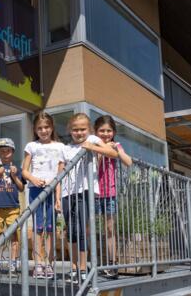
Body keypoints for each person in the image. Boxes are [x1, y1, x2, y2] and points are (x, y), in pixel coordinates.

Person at [61, 113, 117, 283]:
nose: (79, 132)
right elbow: (60, 172)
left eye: (82, 129)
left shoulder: (92, 139)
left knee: (81, 229)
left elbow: (111, 153)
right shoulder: (66, 148)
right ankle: (74, 268)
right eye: (75, 129)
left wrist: (92, 147)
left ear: (89, 129)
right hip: (67, 193)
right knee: (70, 231)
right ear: (70, 130)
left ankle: (83, 268)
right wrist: (57, 196)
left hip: (85, 191)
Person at [21, 112, 65, 279]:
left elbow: (60, 176)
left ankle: (49, 263)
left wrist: (58, 197)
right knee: (38, 228)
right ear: (35, 129)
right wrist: (33, 179)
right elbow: (24, 171)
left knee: (51, 229)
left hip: (52, 191)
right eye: (40, 128)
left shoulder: (60, 147)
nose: (44, 130)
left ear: (52, 128)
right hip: (35, 190)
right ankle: (38, 264)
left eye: (46, 127)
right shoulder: (31, 146)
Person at [94, 115, 132, 279]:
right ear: (96, 132)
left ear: (114, 132)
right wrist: (103, 150)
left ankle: (112, 263)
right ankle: (90, 263)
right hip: (94, 193)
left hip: (110, 193)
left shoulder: (116, 145)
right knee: (90, 228)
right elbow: (95, 166)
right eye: (102, 130)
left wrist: (115, 150)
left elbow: (128, 162)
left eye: (109, 131)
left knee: (110, 228)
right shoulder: (93, 145)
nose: (105, 134)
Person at [0, 137, 25, 273]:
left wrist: (14, 176)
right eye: (2, 151)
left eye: (8, 151)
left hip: (13, 207)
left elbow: (21, 188)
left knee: (14, 236)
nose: (5, 154)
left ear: (12, 152)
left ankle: (13, 262)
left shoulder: (17, 169)